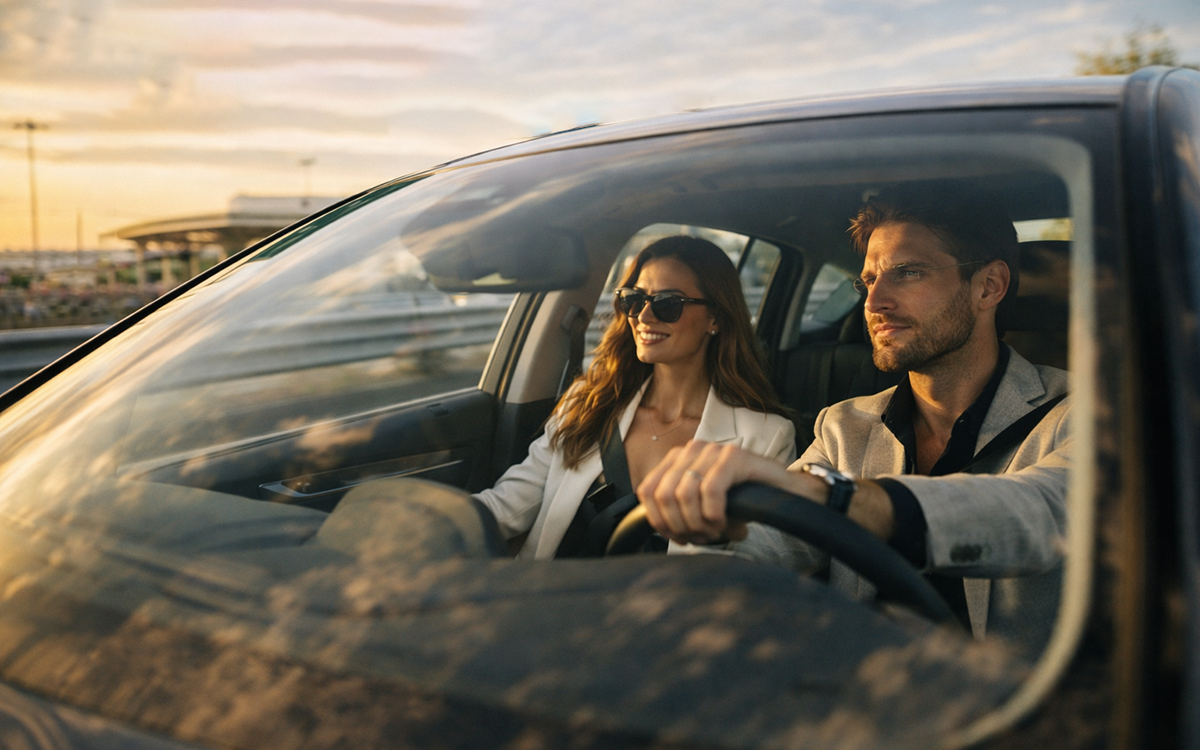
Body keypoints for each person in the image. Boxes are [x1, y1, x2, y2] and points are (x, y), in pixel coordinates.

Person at [638, 181, 1071, 650]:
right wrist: (713, 530)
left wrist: (831, 497)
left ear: (989, 286)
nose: (874, 302)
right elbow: (771, 540)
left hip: (1018, 709)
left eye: (907, 273)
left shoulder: (1080, 414)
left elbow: (1037, 513)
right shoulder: (843, 427)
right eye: (868, 280)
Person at [475, 235, 796, 560]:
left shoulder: (766, 436)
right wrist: (435, 524)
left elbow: (759, 562)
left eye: (668, 303)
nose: (643, 317)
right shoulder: (586, 403)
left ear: (715, 318)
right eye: (634, 299)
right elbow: (506, 505)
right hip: (555, 602)